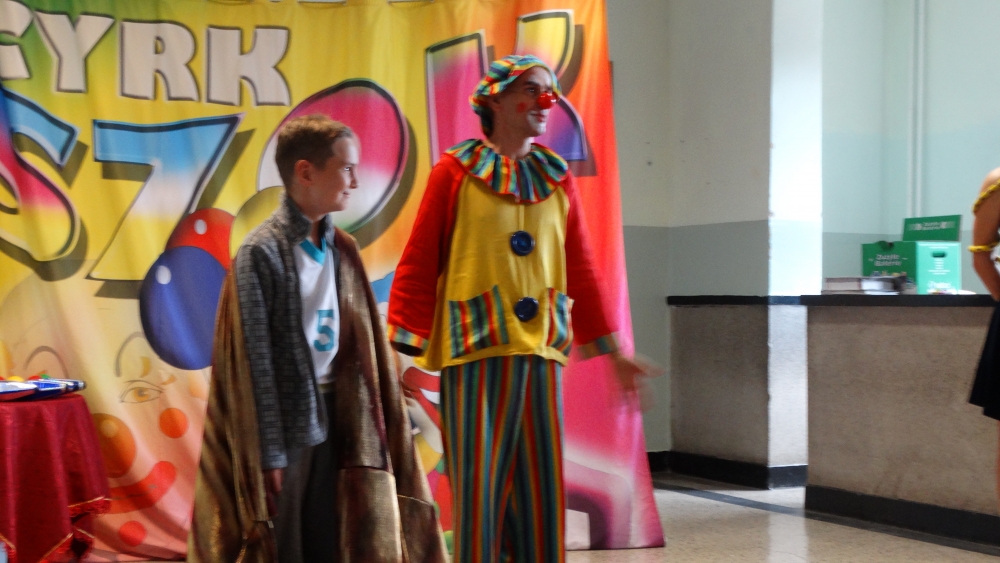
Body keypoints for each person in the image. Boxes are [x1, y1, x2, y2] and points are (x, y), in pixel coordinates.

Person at [387, 55, 648, 563]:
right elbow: (420, 261)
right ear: (496, 100)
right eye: (532, 89)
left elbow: (581, 268)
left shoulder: (556, 177)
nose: (548, 101)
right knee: (479, 492)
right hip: (474, 355)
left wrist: (615, 353)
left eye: (549, 91)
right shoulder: (455, 172)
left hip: (539, 358)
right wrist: (398, 352)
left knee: (539, 494)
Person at [188, 114, 446, 563]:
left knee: (332, 533)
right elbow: (255, 366)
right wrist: (269, 452)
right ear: (305, 172)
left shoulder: (342, 248)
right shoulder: (260, 253)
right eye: (346, 168)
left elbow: (362, 342)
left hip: (341, 413)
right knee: (285, 540)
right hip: (288, 422)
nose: (355, 181)